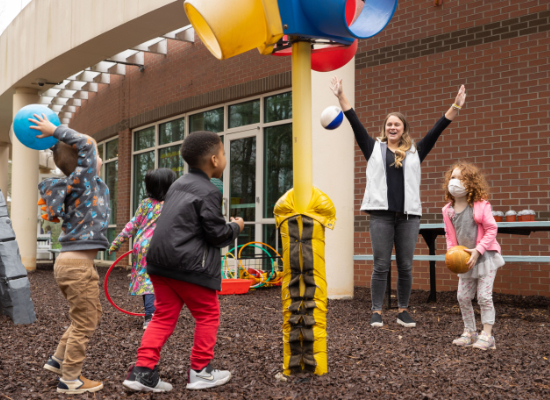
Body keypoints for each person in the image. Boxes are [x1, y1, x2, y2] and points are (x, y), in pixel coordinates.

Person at [330, 76, 467, 328]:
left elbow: (438, 128)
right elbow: (354, 121)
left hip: (408, 217)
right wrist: (340, 96)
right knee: (380, 265)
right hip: (380, 216)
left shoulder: (416, 150)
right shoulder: (372, 148)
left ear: (404, 128)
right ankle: (376, 311)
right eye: (389, 124)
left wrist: (456, 105)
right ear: (385, 128)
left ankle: (403, 310)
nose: (393, 127)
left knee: (405, 266)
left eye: (398, 124)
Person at [122, 130, 244, 393]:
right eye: (223, 154)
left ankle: (142, 371)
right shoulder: (209, 191)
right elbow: (217, 235)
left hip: (158, 262)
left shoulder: (177, 185)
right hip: (187, 265)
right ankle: (201, 370)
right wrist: (235, 227)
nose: (224, 158)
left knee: (162, 317)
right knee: (208, 314)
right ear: (213, 159)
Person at [30, 114, 110, 394]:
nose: (98, 155)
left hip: (74, 265)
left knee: (90, 314)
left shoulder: (91, 185)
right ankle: (71, 379)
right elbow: (86, 144)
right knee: (85, 321)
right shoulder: (82, 181)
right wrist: (55, 132)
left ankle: (58, 359)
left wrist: (55, 146)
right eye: (95, 153)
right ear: (83, 160)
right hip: (76, 267)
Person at [442, 162, 504, 350]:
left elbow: (492, 228)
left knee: (484, 297)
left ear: (470, 183)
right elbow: (449, 236)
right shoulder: (448, 210)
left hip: (485, 257)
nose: (455, 182)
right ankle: (470, 332)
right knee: (462, 297)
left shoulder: (480, 205)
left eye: (461, 178)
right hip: (465, 261)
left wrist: (478, 250)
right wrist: (452, 255)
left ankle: (487, 336)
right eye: (453, 177)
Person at [109, 168, 177, 329]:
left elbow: (131, 225)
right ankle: (152, 316)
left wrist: (116, 242)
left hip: (141, 248)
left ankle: (151, 314)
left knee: (146, 281)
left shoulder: (145, 204)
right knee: (158, 282)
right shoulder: (171, 206)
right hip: (160, 247)